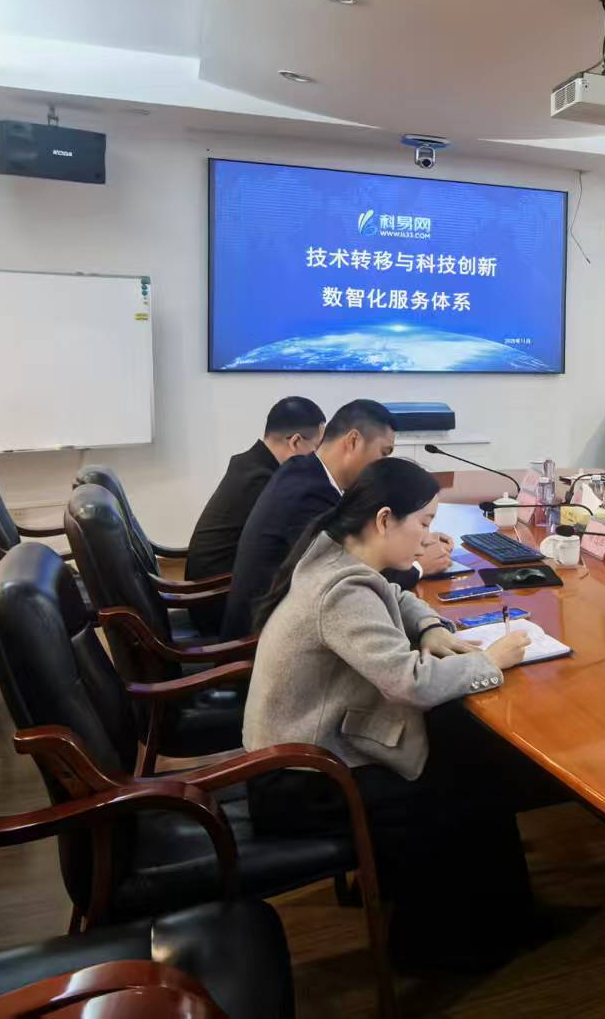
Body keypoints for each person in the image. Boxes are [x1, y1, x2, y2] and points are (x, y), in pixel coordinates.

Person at [242, 457, 542, 971]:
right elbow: (411, 683)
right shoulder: (341, 590)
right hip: (302, 778)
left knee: (465, 751)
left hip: (304, 750)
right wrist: (490, 662)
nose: (429, 535)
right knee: (464, 782)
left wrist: (430, 628)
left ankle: (490, 922)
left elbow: (396, 596)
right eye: (424, 522)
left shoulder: (337, 555)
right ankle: (435, 946)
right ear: (384, 520)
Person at [221, 399, 454, 638]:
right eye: (383, 453)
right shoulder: (308, 495)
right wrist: (418, 567)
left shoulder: (305, 470)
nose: (383, 465)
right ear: (353, 441)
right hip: (256, 640)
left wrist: (411, 538)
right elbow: (349, 570)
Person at [182, 397, 325, 632]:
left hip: (211, 593)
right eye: (316, 448)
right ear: (296, 442)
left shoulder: (250, 465)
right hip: (218, 605)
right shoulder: (263, 481)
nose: (317, 457)